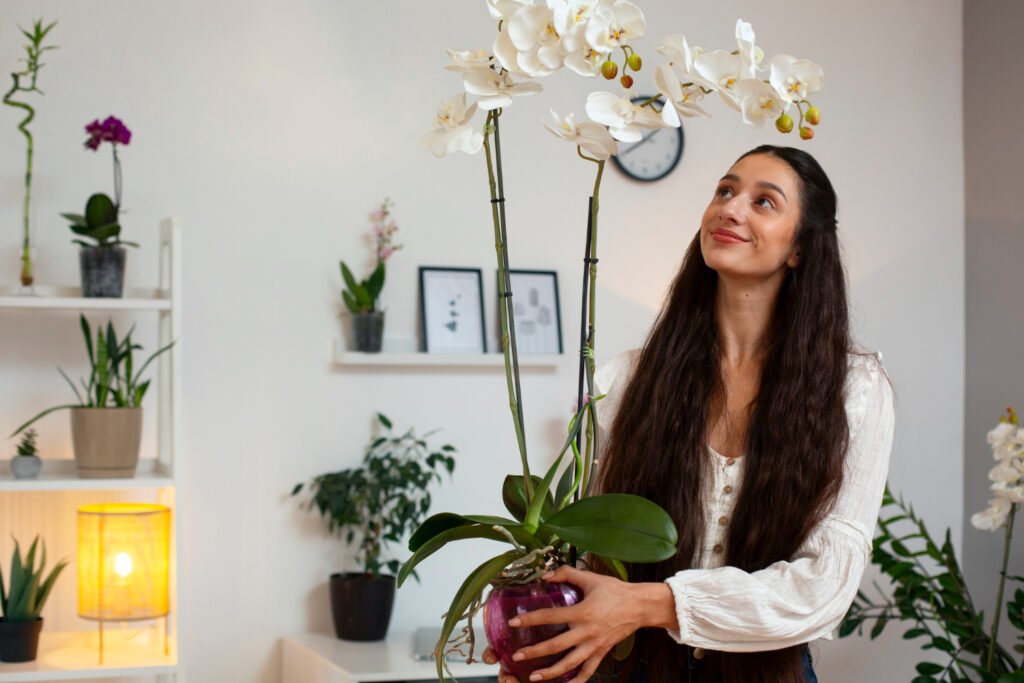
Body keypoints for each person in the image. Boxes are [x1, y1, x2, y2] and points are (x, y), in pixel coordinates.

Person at [482, 145, 895, 683]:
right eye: (725, 191)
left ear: (799, 248)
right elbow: (594, 557)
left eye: (763, 202)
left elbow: (824, 588)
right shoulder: (627, 380)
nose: (731, 208)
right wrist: (542, 638)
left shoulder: (855, 389)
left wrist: (645, 605)